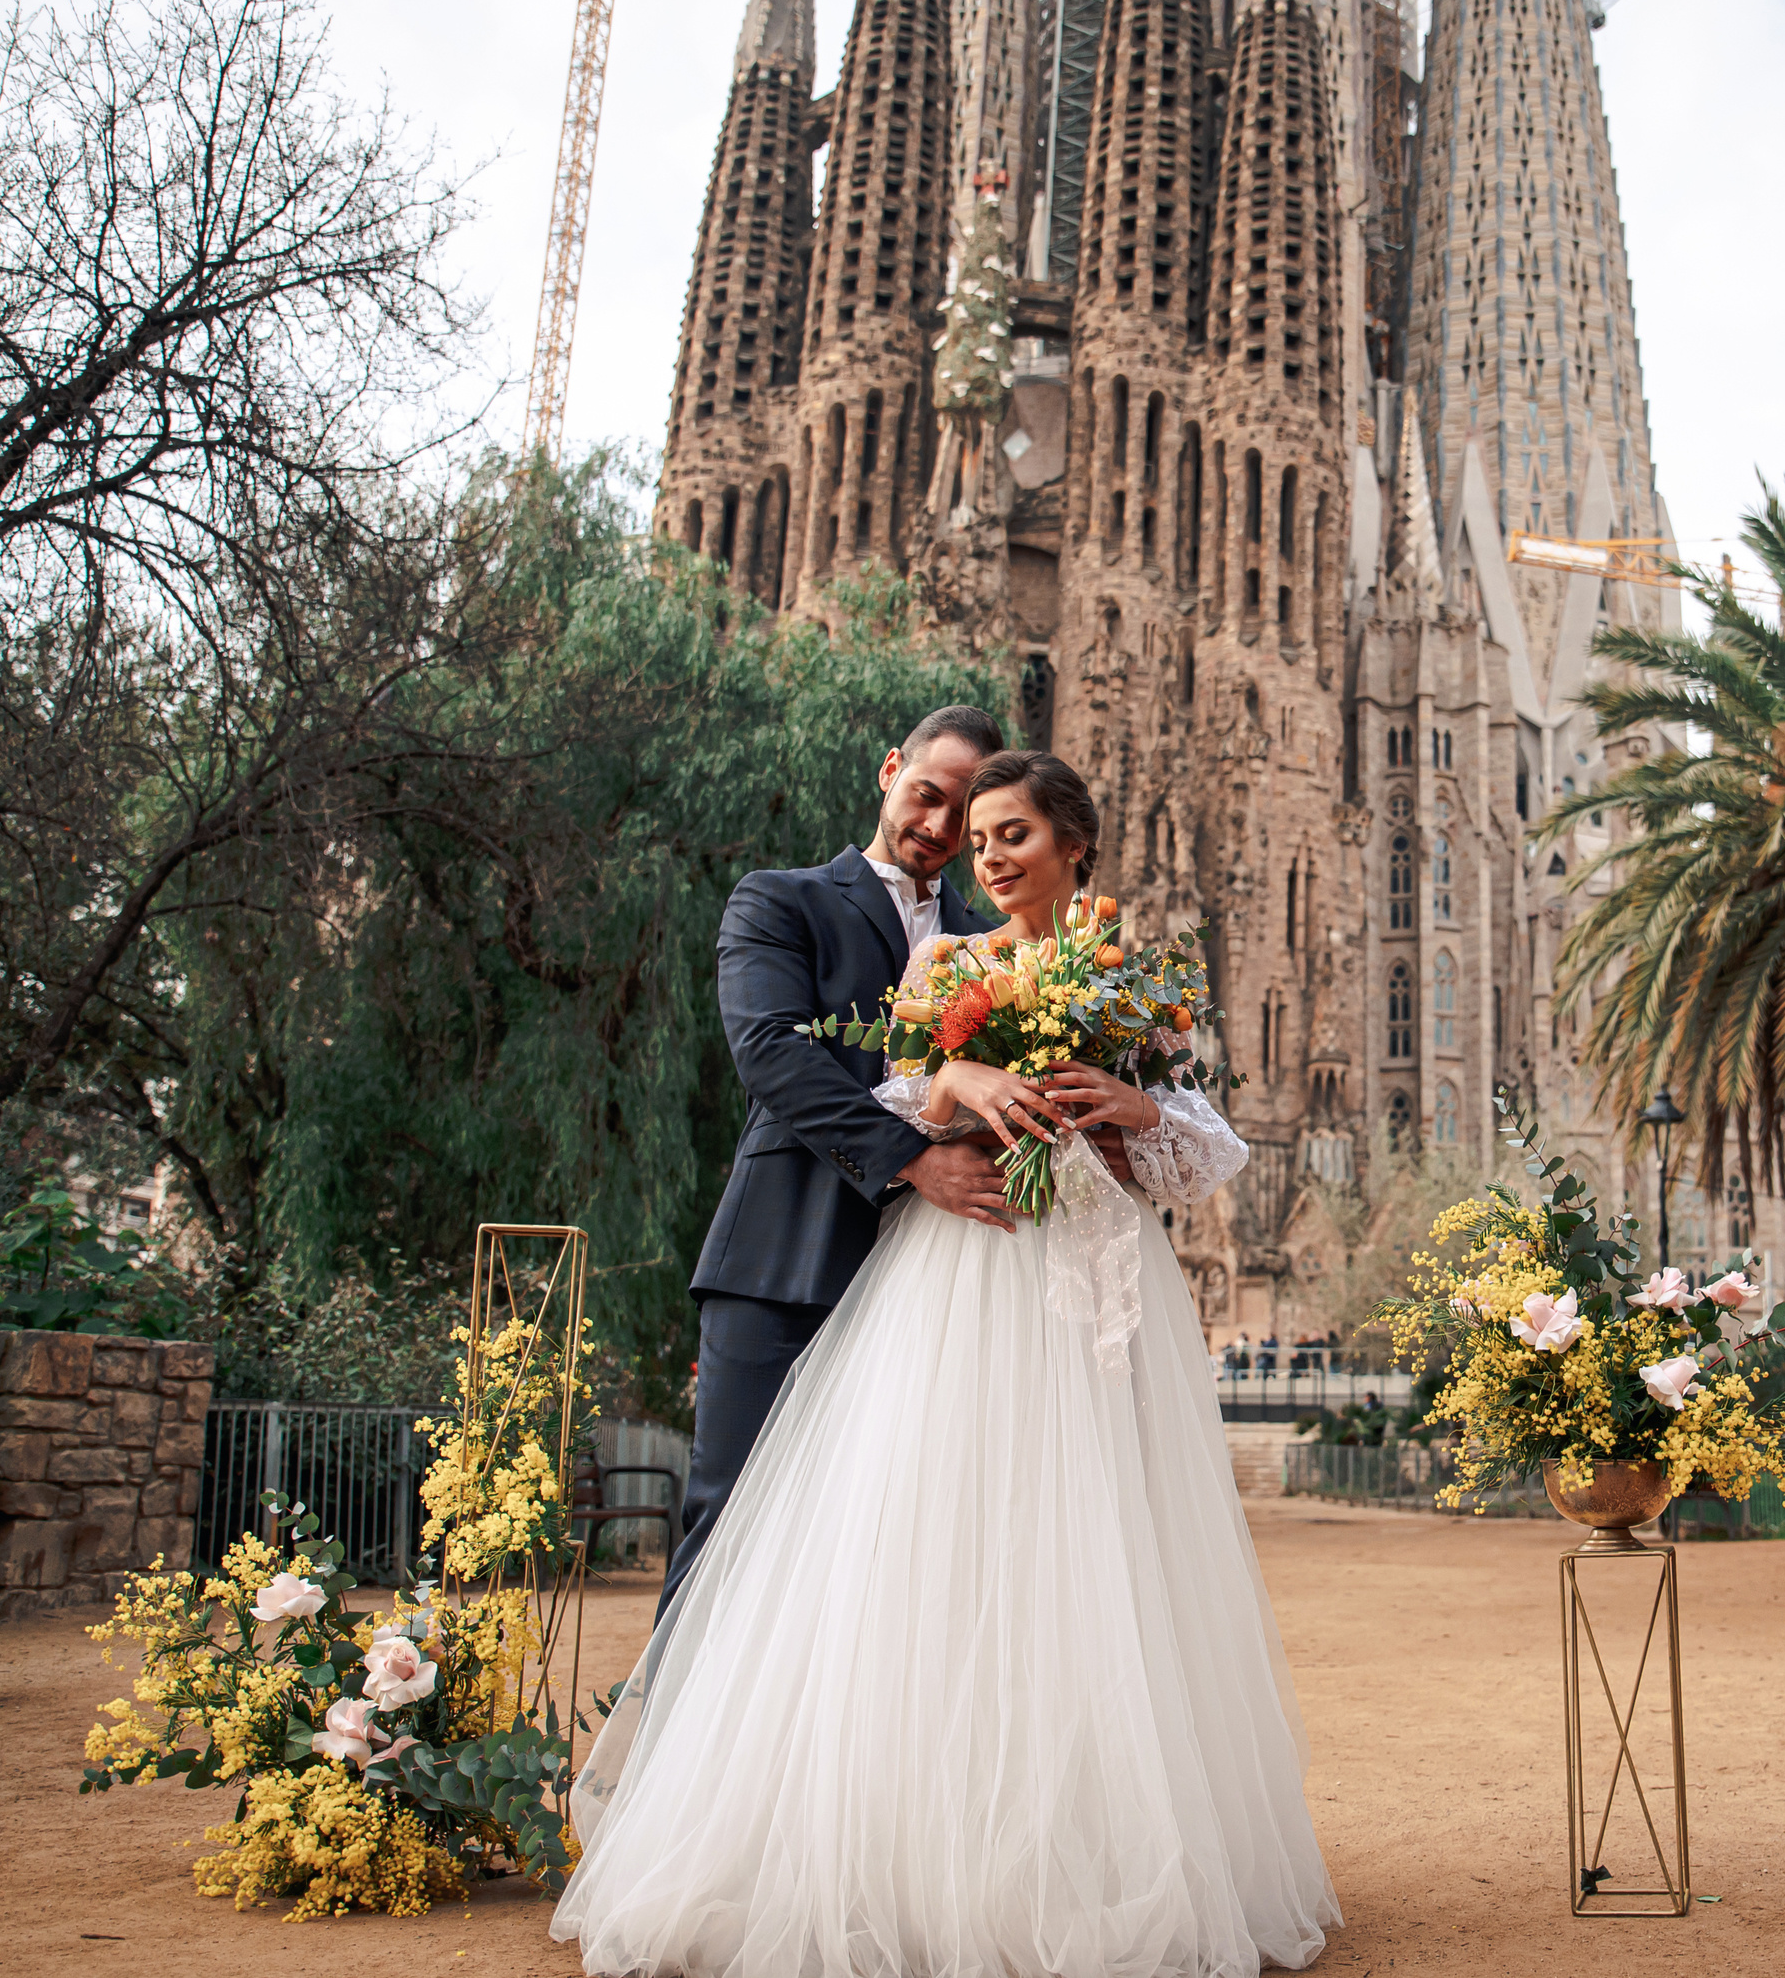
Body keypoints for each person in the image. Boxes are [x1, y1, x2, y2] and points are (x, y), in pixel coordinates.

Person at [556, 749, 1339, 1978]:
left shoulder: (1128, 977)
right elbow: (882, 1079)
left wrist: (1130, 1112)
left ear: (1074, 840)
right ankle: (841, 1844)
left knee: (1085, 1555)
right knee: (909, 1538)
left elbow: (1198, 1135)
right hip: (959, 1264)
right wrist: (957, 1074)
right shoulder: (946, 961)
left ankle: (1073, 1849)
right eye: (976, 830)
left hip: (1086, 1272)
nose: (985, 851)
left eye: (1010, 830)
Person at [657, 704, 1010, 1616]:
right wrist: (913, 1159)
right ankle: (661, 1754)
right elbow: (773, 1053)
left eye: (960, 813)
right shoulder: (780, 899)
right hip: (786, 1259)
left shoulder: (998, 944)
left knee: (884, 1551)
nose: (936, 825)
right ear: (891, 770)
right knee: (731, 1516)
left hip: (931, 1290)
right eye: (927, 794)